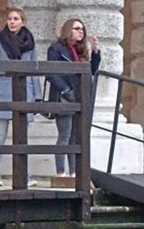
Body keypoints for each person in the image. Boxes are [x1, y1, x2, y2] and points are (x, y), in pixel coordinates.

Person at [0, 7, 42, 187]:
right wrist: (12, 69)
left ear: (22, 22)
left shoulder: (30, 41)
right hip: (4, 91)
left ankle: (24, 174)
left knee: (22, 137)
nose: (12, 22)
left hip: (24, 92)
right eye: (10, 18)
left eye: (16, 19)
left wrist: (37, 96)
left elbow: (34, 70)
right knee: (0, 136)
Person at [46, 19, 101, 177]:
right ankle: (60, 172)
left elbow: (91, 71)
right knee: (64, 136)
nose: (81, 31)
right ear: (68, 30)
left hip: (80, 98)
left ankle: (74, 173)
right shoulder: (56, 49)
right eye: (77, 28)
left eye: (82, 29)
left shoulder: (81, 50)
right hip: (64, 98)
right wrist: (65, 90)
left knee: (75, 139)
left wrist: (95, 51)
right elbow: (51, 73)